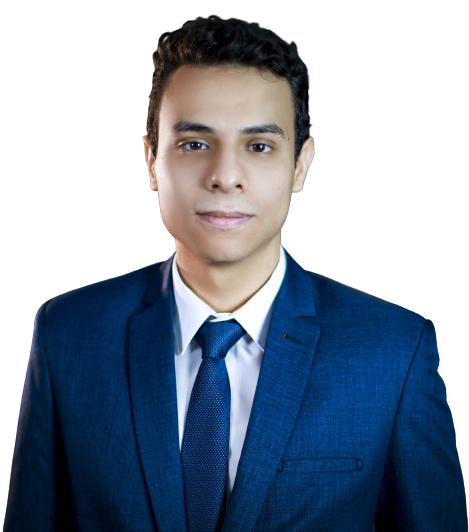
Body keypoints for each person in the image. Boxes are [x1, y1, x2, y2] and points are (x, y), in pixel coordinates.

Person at [4, 14, 467, 532]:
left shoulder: (394, 351)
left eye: (259, 146)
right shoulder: (67, 334)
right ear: (151, 160)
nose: (225, 177)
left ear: (302, 165)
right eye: (194, 143)